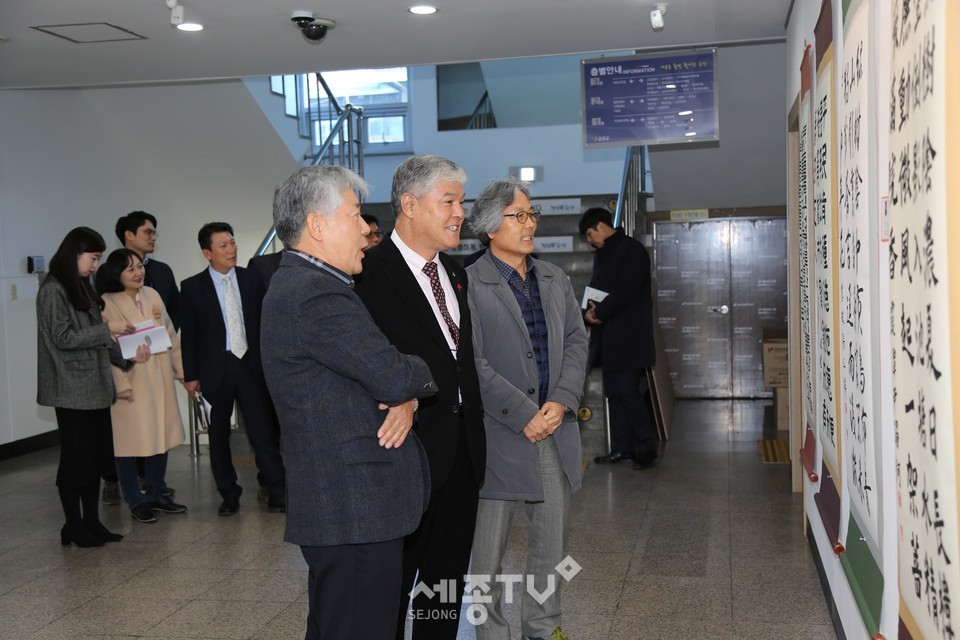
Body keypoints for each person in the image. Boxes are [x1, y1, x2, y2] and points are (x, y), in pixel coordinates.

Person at [262, 165, 437, 640]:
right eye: (356, 215)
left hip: (346, 506)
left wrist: (405, 397)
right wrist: (415, 381)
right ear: (317, 225)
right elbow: (392, 373)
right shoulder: (316, 293)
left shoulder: (310, 284)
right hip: (353, 506)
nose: (366, 229)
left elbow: (382, 376)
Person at [355, 154, 486, 640]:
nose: (460, 213)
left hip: (462, 455)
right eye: (448, 201)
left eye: (462, 201)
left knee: (444, 588)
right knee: (390, 588)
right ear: (409, 205)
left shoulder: (455, 272)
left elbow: (459, 362)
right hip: (401, 459)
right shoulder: (367, 273)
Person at [466, 178, 587, 640]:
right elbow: (470, 363)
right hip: (500, 436)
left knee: (550, 546)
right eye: (520, 216)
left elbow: (576, 340)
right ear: (491, 226)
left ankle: (544, 627)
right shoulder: (471, 284)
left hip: (554, 432)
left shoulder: (555, 278)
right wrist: (524, 412)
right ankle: (490, 633)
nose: (529, 223)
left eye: (532, 214)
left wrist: (561, 400)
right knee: (487, 555)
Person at [36, 227, 146, 547]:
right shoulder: (53, 290)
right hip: (70, 389)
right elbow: (62, 338)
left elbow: (98, 336)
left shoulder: (82, 286)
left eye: (98, 259)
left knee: (97, 459)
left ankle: (91, 521)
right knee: (76, 461)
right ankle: (72, 524)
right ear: (75, 253)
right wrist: (107, 329)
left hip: (95, 387)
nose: (95, 265)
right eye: (92, 258)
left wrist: (129, 354)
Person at [180, 222, 287, 515]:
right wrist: (191, 377)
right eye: (223, 245)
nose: (232, 249)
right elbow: (188, 336)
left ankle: (278, 491)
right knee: (218, 438)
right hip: (215, 370)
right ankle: (229, 494)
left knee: (263, 432)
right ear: (207, 253)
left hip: (251, 366)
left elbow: (265, 325)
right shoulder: (191, 288)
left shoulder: (252, 280)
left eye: (233, 243)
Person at [96, 249, 188, 524]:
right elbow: (106, 349)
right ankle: (135, 499)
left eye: (139, 267)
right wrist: (120, 385)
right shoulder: (106, 303)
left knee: (160, 438)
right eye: (130, 269)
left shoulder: (153, 295)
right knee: (129, 444)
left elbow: (170, 335)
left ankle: (157, 492)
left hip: (158, 378)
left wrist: (182, 373)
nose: (138, 272)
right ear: (117, 274)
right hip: (132, 382)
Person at [578, 207, 658, 470]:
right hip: (609, 337)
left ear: (601, 226)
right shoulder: (602, 254)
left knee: (627, 391)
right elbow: (597, 288)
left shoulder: (631, 249)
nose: (590, 240)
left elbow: (627, 290)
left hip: (630, 336)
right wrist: (588, 310)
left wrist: (599, 312)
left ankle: (646, 448)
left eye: (590, 234)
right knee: (614, 394)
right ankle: (622, 448)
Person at [114, 211, 180, 330]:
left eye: (154, 233)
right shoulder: (110, 270)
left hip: (164, 343)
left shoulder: (163, 270)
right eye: (148, 232)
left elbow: (175, 308)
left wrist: (165, 335)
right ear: (129, 235)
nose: (154, 238)